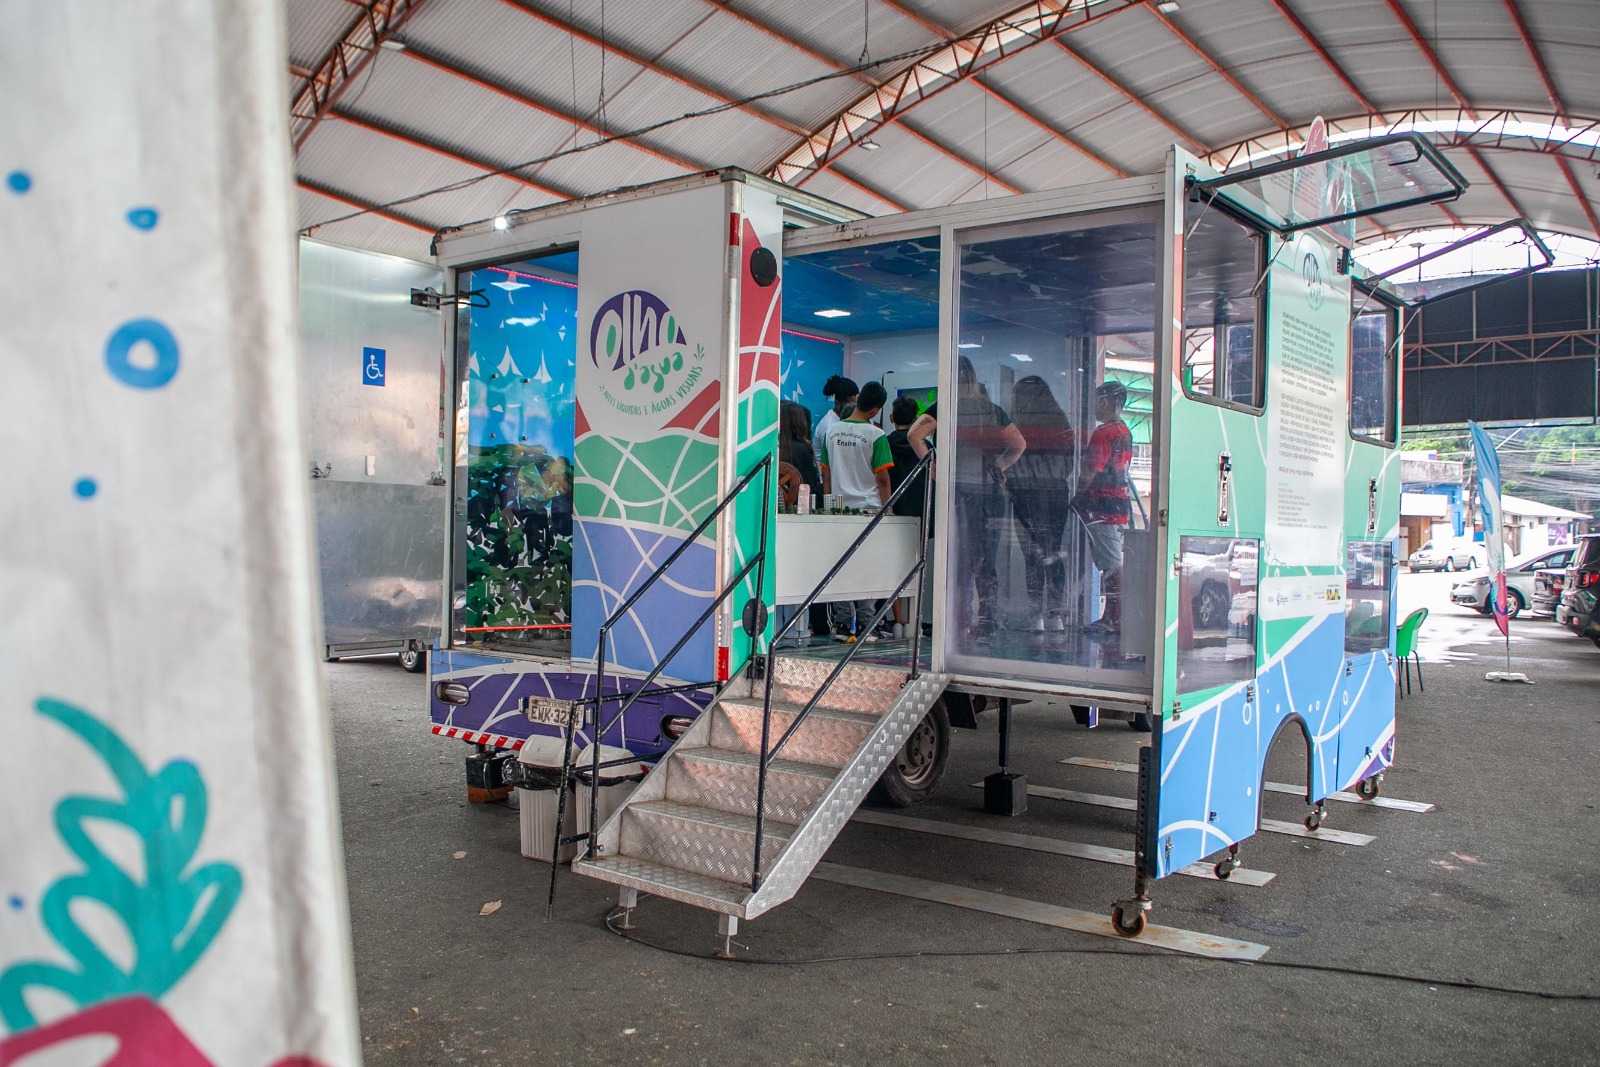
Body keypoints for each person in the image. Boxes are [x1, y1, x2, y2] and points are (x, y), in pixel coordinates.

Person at [912, 359, 1025, 638]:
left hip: (959, 491)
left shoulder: (944, 407)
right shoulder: (992, 410)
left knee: (959, 557)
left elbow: (915, 434)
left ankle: (957, 619)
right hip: (989, 493)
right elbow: (1019, 444)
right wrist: (999, 466)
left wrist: (934, 466)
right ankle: (987, 617)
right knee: (986, 558)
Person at [820, 381, 893, 641]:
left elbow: (826, 474)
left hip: (840, 510)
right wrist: (889, 509)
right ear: (876, 409)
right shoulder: (876, 435)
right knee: (868, 567)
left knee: (840, 565)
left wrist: (830, 507)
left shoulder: (832, 431)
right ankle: (866, 624)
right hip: (869, 509)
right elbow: (882, 478)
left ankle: (843, 624)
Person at [1008, 375, 1074, 632]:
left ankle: (1036, 615)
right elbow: (1067, 466)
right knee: (1053, 553)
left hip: (1025, 494)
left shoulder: (1019, 426)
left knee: (1032, 555)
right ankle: (1055, 615)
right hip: (1056, 494)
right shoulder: (1061, 424)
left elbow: (1011, 462)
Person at [1073, 381, 1134, 635]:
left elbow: (1091, 470)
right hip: (1119, 505)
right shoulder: (1124, 431)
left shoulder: (1103, 433)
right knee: (1112, 561)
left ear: (1105, 402)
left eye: (1097, 401)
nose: (1094, 407)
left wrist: (1078, 494)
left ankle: (1115, 618)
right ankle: (1111, 616)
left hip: (1101, 506)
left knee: (1111, 563)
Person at [883, 395, 927, 639]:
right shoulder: (925, 446)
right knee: (917, 566)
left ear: (892, 418)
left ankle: (898, 620)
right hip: (920, 514)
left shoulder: (885, 444)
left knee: (894, 567)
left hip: (894, 513)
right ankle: (915, 621)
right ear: (917, 419)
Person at [812, 375, 858, 471]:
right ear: (837, 403)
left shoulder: (850, 420)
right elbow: (835, 462)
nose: (854, 408)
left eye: (856, 404)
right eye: (850, 405)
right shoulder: (828, 426)